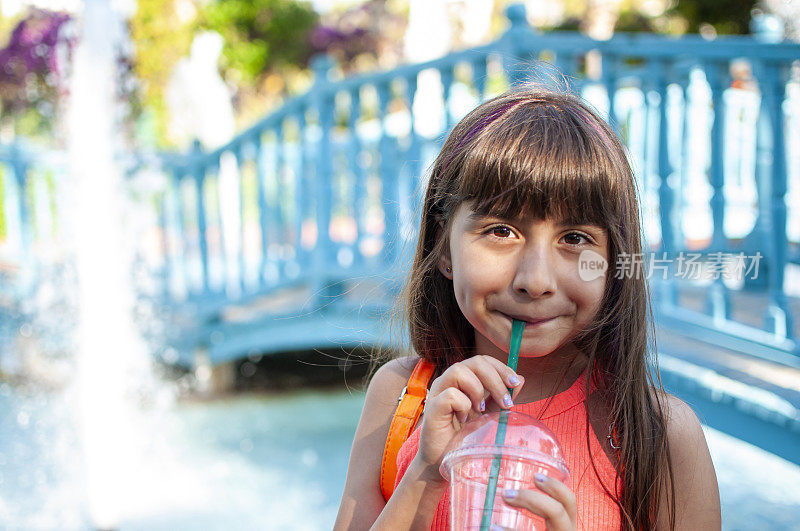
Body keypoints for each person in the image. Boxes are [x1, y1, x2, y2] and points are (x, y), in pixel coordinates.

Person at [334, 86, 721, 530]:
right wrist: (425, 470)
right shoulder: (404, 396)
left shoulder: (658, 436)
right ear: (444, 247)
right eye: (500, 230)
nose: (535, 281)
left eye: (575, 238)